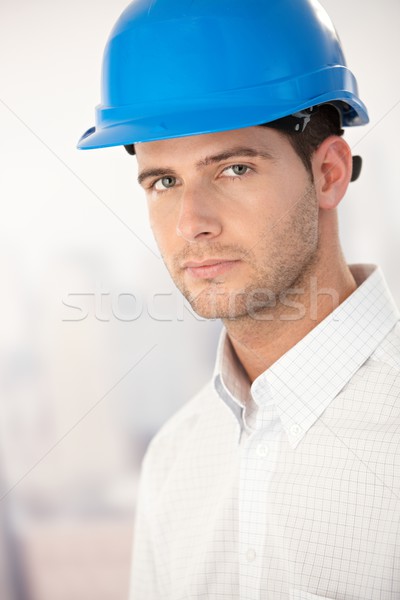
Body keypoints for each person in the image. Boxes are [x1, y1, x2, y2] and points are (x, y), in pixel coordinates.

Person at [78, 0, 400, 598]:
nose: (191, 224)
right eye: (165, 182)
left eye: (233, 170)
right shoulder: (174, 458)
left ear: (329, 173)